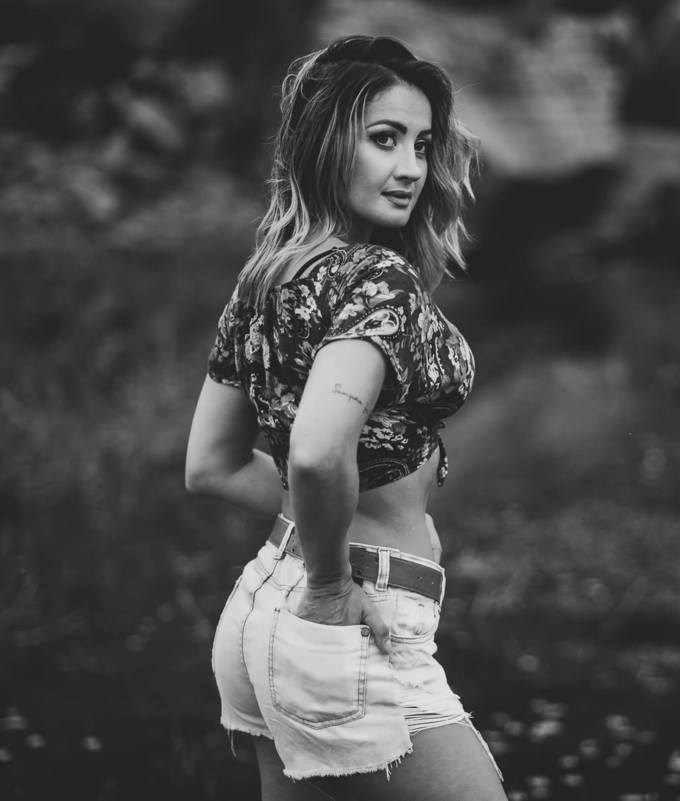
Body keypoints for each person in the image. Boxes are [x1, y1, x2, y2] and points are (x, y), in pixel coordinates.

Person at [184, 35, 505, 801]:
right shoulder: (378, 279)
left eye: (421, 144)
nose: (411, 167)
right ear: (326, 146)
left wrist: (317, 527)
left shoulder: (265, 279)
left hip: (265, 604)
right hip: (348, 616)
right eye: (384, 139)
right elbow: (317, 453)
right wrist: (331, 581)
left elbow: (211, 466)